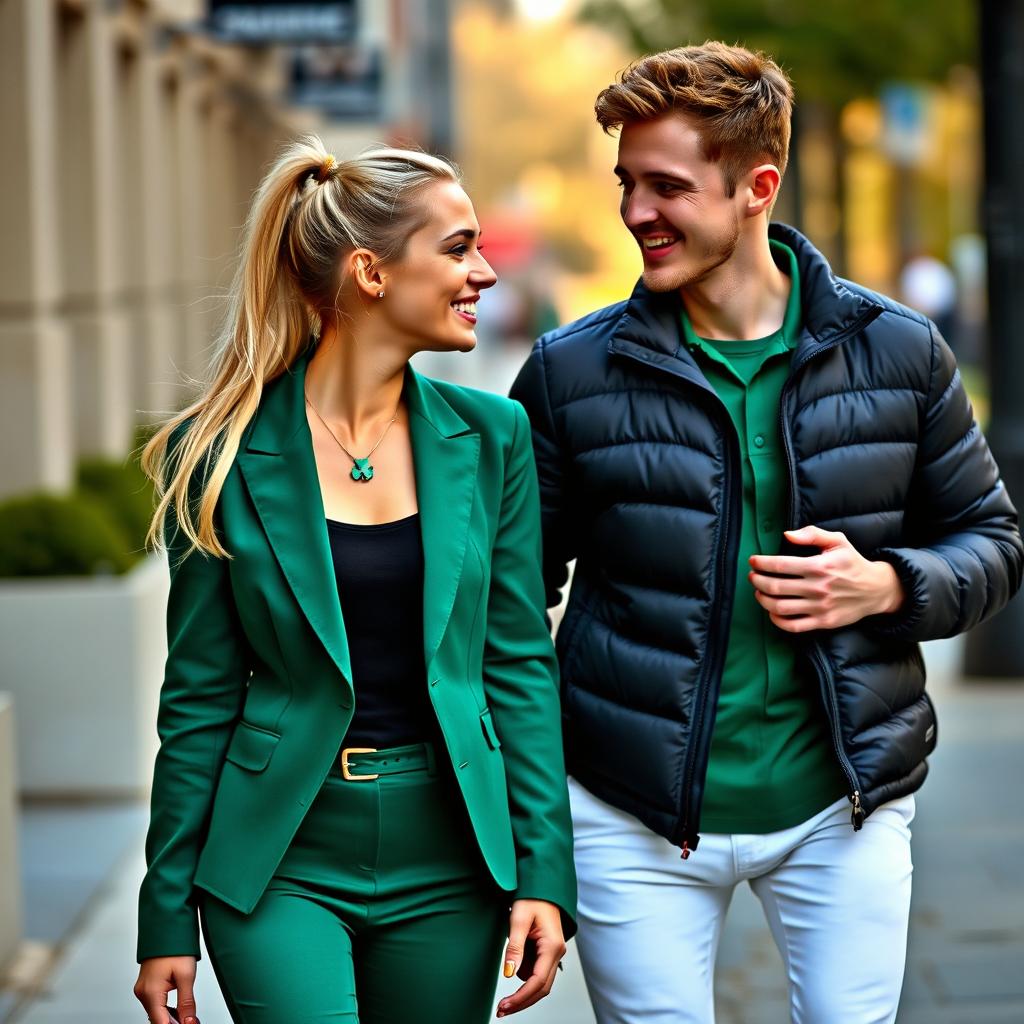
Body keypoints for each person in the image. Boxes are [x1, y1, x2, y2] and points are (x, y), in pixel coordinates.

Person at [510, 42, 1022, 1024]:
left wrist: (887, 585)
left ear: (758, 186)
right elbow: (509, 598)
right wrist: (527, 805)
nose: (633, 213)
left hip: (843, 801)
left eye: (666, 186)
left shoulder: (897, 350)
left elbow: (991, 541)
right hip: (630, 813)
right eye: (625, 183)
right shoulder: (570, 373)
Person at [133, 135, 575, 1024]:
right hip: (279, 859)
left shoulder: (494, 439)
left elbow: (518, 665)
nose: (484, 273)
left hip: (453, 858)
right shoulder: (218, 455)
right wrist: (163, 915)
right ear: (372, 273)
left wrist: (544, 876)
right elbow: (199, 696)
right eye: (457, 248)